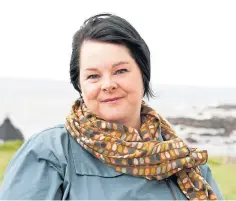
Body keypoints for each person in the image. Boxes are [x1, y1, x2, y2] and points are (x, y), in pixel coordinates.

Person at [0, 13, 223, 200]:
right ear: (79, 85)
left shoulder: (184, 163)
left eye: (120, 71)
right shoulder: (49, 153)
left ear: (143, 74)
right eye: (93, 76)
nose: (107, 85)